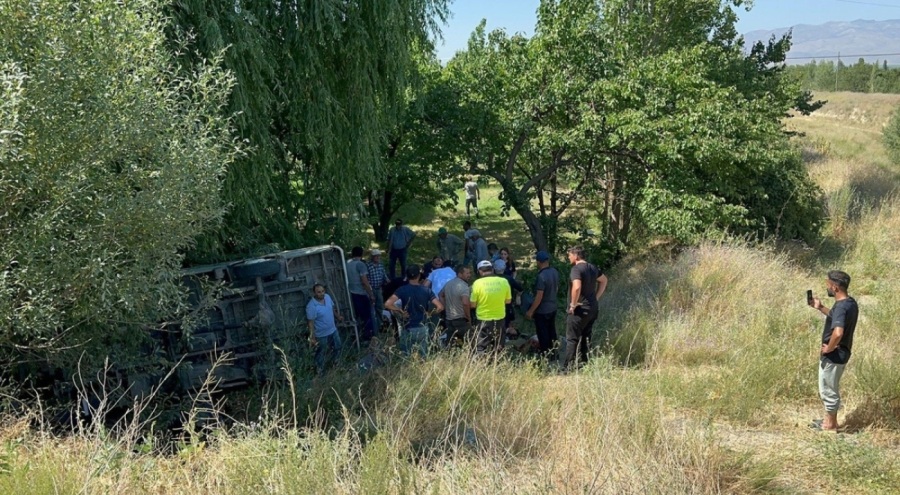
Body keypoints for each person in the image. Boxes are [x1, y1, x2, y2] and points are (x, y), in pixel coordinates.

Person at [808, 270, 859, 432]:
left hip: (834, 356)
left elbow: (838, 333)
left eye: (828, 285)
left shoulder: (841, 307)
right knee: (830, 386)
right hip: (843, 353)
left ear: (835, 287)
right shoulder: (850, 303)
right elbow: (835, 316)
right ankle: (830, 421)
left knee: (828, 389)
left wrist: (828, 349)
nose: (827, 288)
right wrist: (820, 307)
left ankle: (830, 425)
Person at [562, 246, 608, 371]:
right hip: (592, 309)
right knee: (586, 337)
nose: (568, 257)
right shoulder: (592, 267)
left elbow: (577, 287)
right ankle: (584, 364)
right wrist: (596, 297)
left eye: (569, 255)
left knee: (572, 338)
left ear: (576, 256)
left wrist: (573, 304)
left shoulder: (576, 269)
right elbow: (604, 280)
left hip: (579, 309)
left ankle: (568, 368)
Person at [386, 265, 443, 358]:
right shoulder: (427, 290)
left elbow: (387, 304)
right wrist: (429, 314)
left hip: (407, 327)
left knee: (405, 356)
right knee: (424, 356)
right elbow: (440, 307)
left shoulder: (402, 290)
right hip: (422, 327)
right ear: (419, 276)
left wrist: (400, 311)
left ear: (407, 276)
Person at [470, 260, 512, 355]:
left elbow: (473, 305)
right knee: (499, 345)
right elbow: (508, 301)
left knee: (481, 346)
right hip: (499, 318)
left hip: (483, 319)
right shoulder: (504, 281)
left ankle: (481, 362)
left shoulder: (477, 283)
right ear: (492, 269)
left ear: (479, 271)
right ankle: (496, 361)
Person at [525, 251, 560, 361]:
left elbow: (539, 296)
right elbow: (556, 288)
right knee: (552, 331)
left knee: (543, 333)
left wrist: (531, 311)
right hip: (553, 307)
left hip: (542, 310)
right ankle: (554, 353)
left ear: (539, 262)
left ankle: (545, 355)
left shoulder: (541, 276)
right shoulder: (554, 271)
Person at [306, 284, 343, 374]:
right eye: (319, 292)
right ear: (314, 293)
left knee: (338, 346)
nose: (322, 293)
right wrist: (312, 337)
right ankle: (320, 370)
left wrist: (338, 316)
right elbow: (311, 323)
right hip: (321, 334)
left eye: (323, 291)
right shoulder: (311, 306)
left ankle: (336, 363)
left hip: (333, 330)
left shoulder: (327, 297)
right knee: (321, 352)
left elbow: (332, 309)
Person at [346, 246, 375, 342]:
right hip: (361, 293)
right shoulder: (360, 265)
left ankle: (357, 337)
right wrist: (371, 294)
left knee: (357, 316)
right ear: (361, 254)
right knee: (367, 317)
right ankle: (368, 338)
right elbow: (364, 281)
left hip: (351, 293)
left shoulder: (347, 263)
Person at [440, 265, 473, 346]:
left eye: (470, 273)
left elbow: (440, 295)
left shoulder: (448, 284)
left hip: (449, 318)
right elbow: (465, 303)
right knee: (468, 342)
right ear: (460, 274)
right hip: (461, 319)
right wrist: (468, 317)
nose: (469, 275)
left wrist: (445, 307)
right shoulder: (464, 286)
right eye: (467, 273)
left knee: (450, 343)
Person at [493, 259, 524, 338]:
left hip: (494, 304)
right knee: (506, 322)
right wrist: (518, 296)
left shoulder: (490, 280)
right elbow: (520, 288)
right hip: (507, 304)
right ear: (504, 268)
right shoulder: (508, 279)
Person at [366, 249, 388, 333]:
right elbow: (366, 278)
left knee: (380, 307)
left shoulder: (381, 264)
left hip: (379, 289)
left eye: (379, 256)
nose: (378, 257)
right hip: (371, 290)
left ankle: (380, 326)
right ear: (372, 257)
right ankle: (373, 328)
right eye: (376, 256)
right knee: (371, 309)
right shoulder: (368, 265)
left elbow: (384, 274)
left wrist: (388, 281)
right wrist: (369, 291)